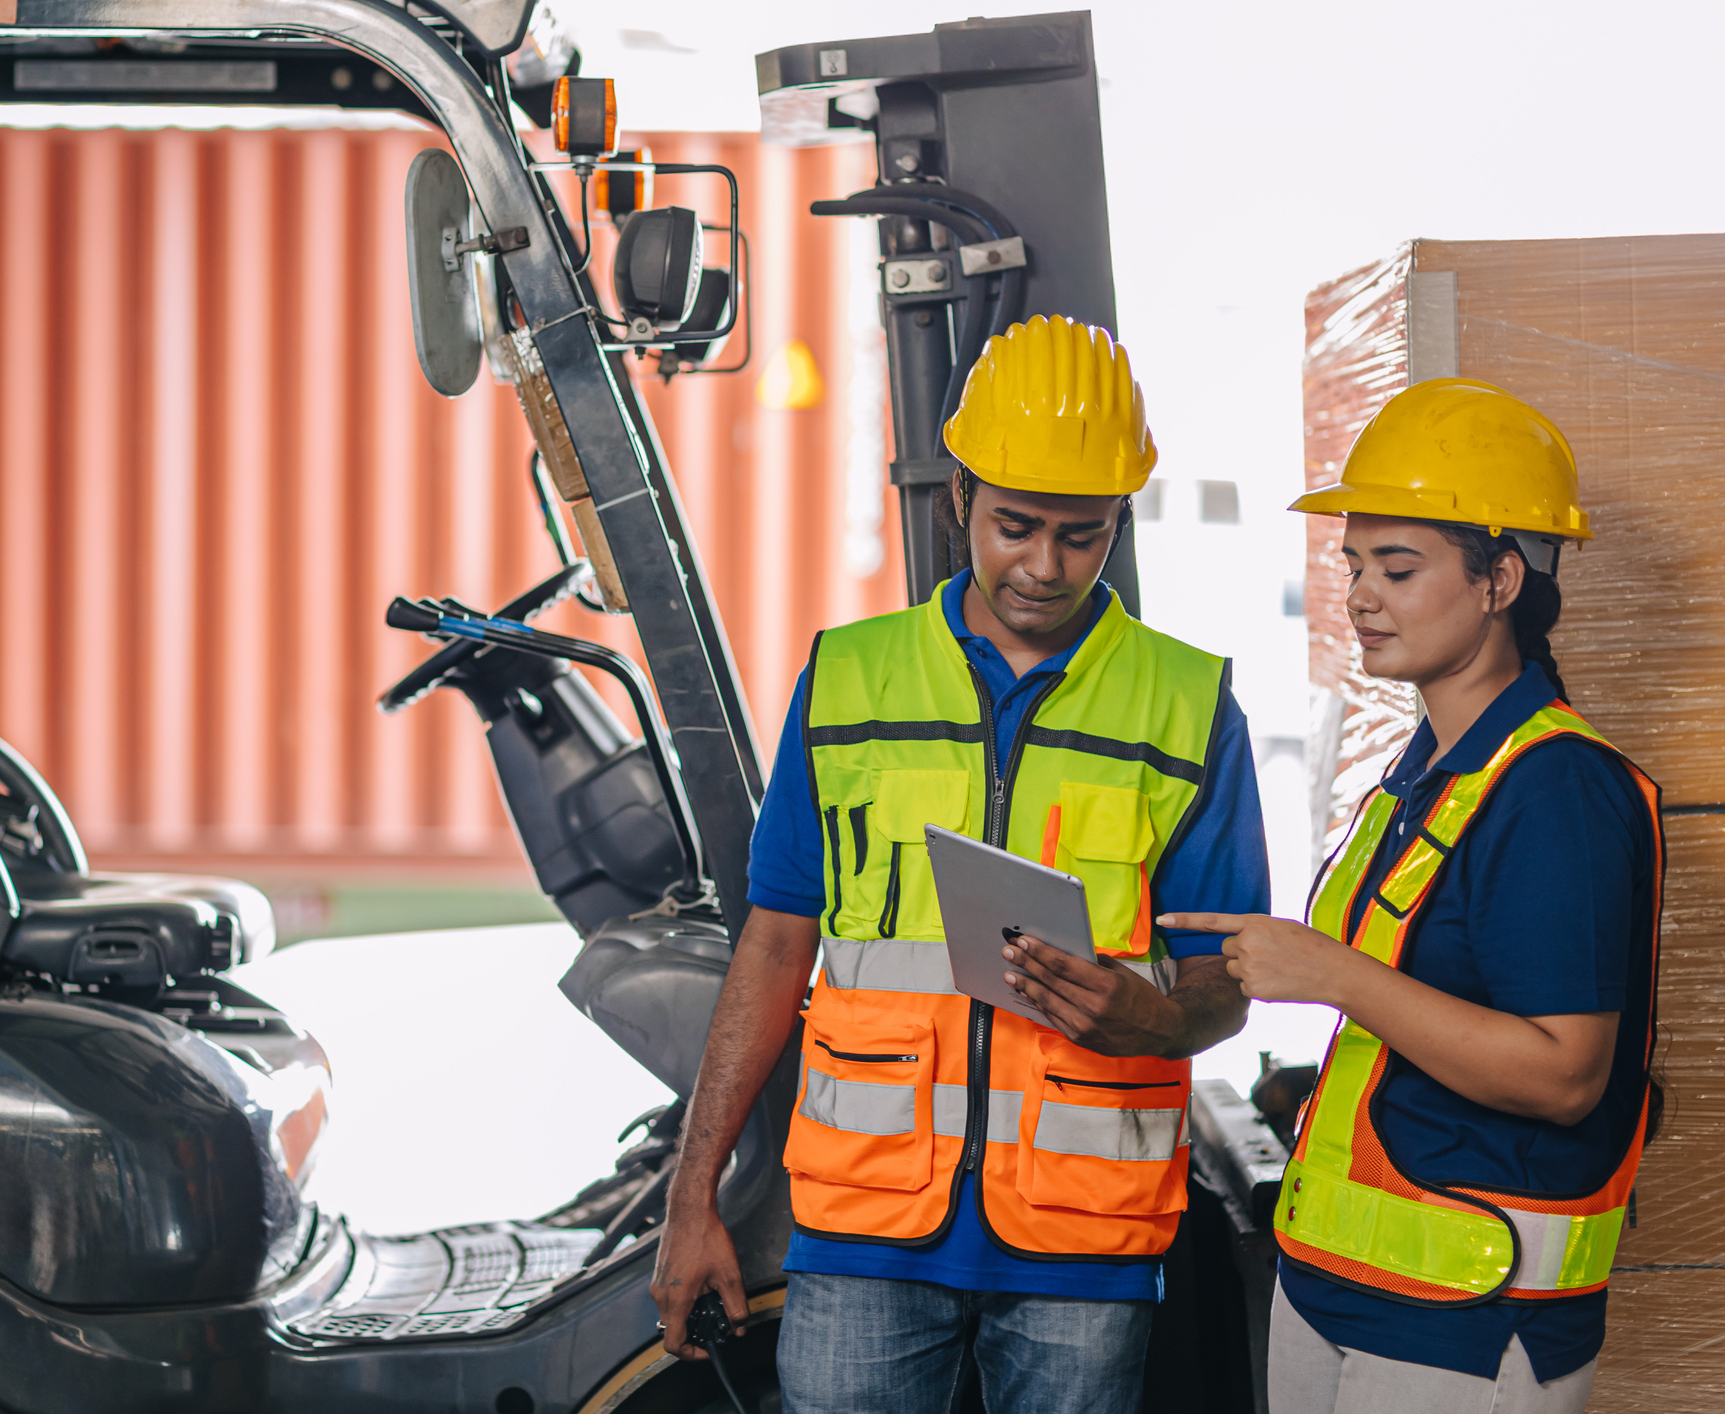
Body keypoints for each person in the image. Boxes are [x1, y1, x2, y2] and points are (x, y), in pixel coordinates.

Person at [650, 314, 1269, 1414]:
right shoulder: (849, 681)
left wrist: (1159, 1017)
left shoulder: (1188, 707)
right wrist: (691, 1198)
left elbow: (1226, 978)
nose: (1043, 565)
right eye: (1015, 525)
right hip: (867, 1231)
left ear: (1119, 522)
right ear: (957, 503)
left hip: (1085, 1237)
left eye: (1081, 536)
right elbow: (778, 940)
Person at [1164, 378, 1662, 1412]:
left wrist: (1330, 973)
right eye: (1353, 564)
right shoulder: (1430, 769)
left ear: (1500, 580)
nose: (1358, 595)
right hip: (1344, 1281)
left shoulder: (1557, 788)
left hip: (1471, 1317)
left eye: (1397, 567)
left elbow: (1566, 1073)